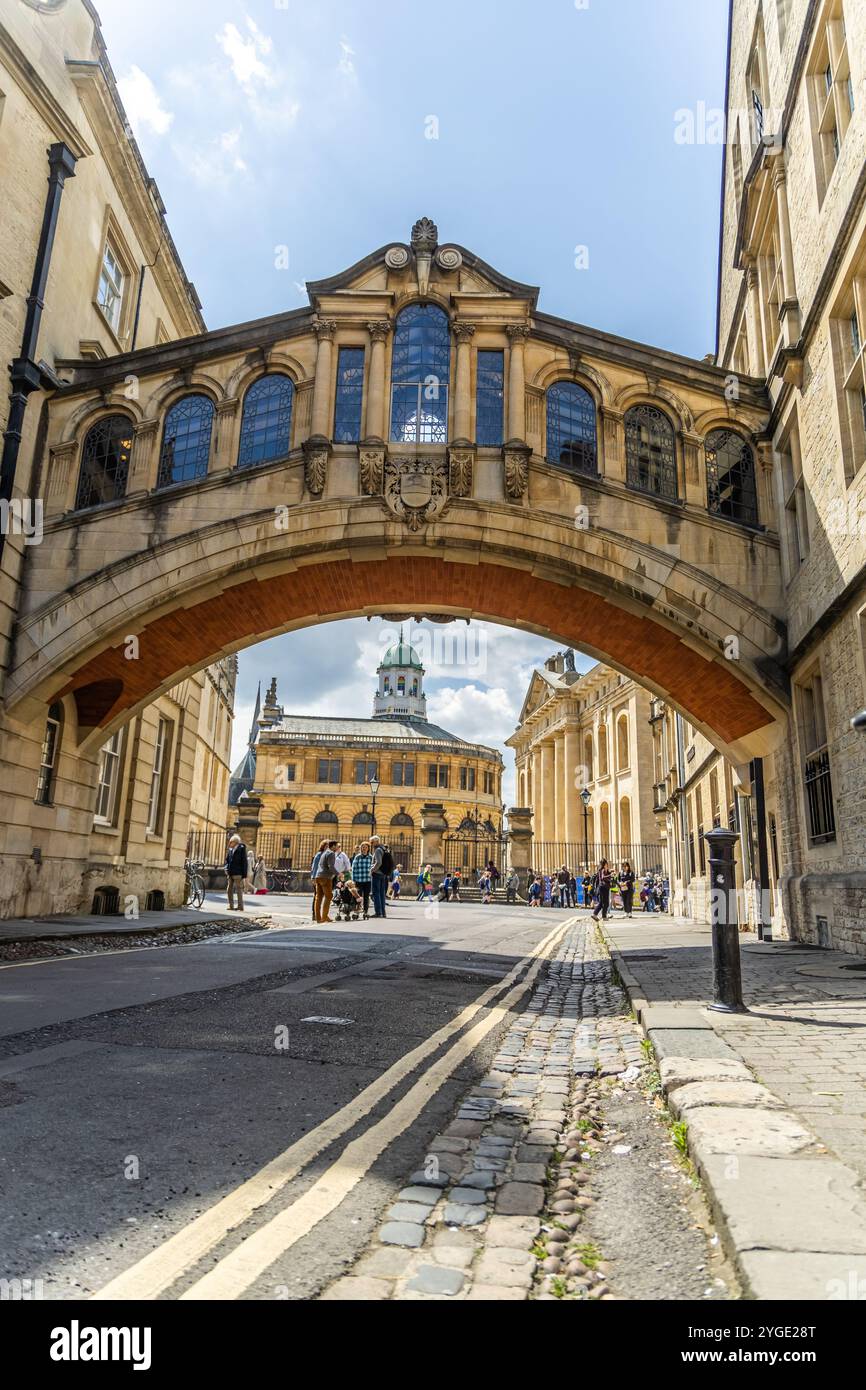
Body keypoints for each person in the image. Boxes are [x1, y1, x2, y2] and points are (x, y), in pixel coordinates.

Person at [313, 839, 338, 923]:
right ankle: (324, 917)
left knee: (318, 897)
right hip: (326, 877)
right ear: (333, 846)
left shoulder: (324, 852)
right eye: (337, 846)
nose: (337, 848)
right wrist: (338, 874)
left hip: (318, 876)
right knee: (329, 896)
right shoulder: (331, 853)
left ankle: (318, 918)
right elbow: (331, 866)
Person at [370, 837, 393, 918]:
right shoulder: (384, 849)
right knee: (382, 894)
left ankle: (378, 912)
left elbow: (379, 862)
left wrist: (372, 870)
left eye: (372, 842)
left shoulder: (377, 850)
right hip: (383, 874)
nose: (371, 844)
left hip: (377, 874)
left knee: (376, 893)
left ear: (376, 842)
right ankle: (383, 912)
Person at [225, 835, 248, 911]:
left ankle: (240, 906)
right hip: (230, 872)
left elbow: (244, 862)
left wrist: (244, 874)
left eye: (231, 842)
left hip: (238, 873)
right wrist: (226, 868)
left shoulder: (241, 849)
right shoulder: (231, 850)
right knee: (229, 889)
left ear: (235, 842)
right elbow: (227, 860)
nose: (229, 843)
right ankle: (231, 906)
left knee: (239, 890)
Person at [351, 841, 373, 918]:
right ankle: (357, 911)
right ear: (361, 848)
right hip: (358, 880)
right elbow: (353, 869)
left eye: (365, 847)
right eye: (362, 847)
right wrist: (353, 880)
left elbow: (373, 868)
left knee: (366, 897)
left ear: (368, 849)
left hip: (367, 880)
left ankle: (366, 911)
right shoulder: (357, 857)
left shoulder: (371, 857)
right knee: (358, 897)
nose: (364, 849)